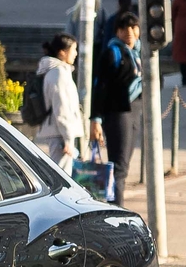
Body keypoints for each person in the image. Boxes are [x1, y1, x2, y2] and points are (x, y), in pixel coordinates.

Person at [92, 13, 142, 198]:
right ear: (117, 32)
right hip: (118, 112)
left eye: (133, 27)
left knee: (124, 166)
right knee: (119, 167)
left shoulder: (142, 53)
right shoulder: (112, 52)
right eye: (124, 28)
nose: (129, 32)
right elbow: (100, 86)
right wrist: (95, 119)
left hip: (136, 110)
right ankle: (116, 210)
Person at [32, 34, 89, 165]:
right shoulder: (58, 73)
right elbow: (62, 108)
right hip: (59, 134)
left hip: (57, 132)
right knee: (61, 178)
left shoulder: (55, 71)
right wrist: (68, 139)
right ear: (62, 52)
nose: (75, 53)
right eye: (73, 49)